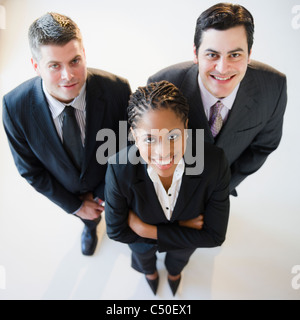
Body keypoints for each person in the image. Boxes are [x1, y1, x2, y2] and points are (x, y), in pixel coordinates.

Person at [2, 13, 131, 256]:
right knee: (89, 219)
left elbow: (125, 146)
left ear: (84, 52)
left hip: (109, 182)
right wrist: (77, 207)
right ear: (35, 66)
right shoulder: (13, 107)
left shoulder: (118, 90)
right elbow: (30, 170)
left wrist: (103, 193)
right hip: (67, 189)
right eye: (54, 66)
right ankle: (90, 227)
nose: (68, 76)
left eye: (75, 61)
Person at [105, 81, 230, 296]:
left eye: (173, 136)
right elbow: (115, 231)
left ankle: (174, 273)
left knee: (178, 261)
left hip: (179, 247)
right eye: (150, 139)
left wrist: (148, 230)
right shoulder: (119, 169)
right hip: (146, 246)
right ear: (135, 137)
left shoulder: (214, 163)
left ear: (186, 129)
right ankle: (150, 273)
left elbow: (215, 236)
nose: (163, 153)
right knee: (145, 261)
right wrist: (180, 228)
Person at [148, 3, 287, 196]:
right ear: (196, 54)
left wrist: (221, 188)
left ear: (249, 55)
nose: (222, 68)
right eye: (212, 55)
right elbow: (145, 148)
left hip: (221, 191)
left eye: (235, 55)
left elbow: (264, 146)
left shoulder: (273, 87)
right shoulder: (161, 85)